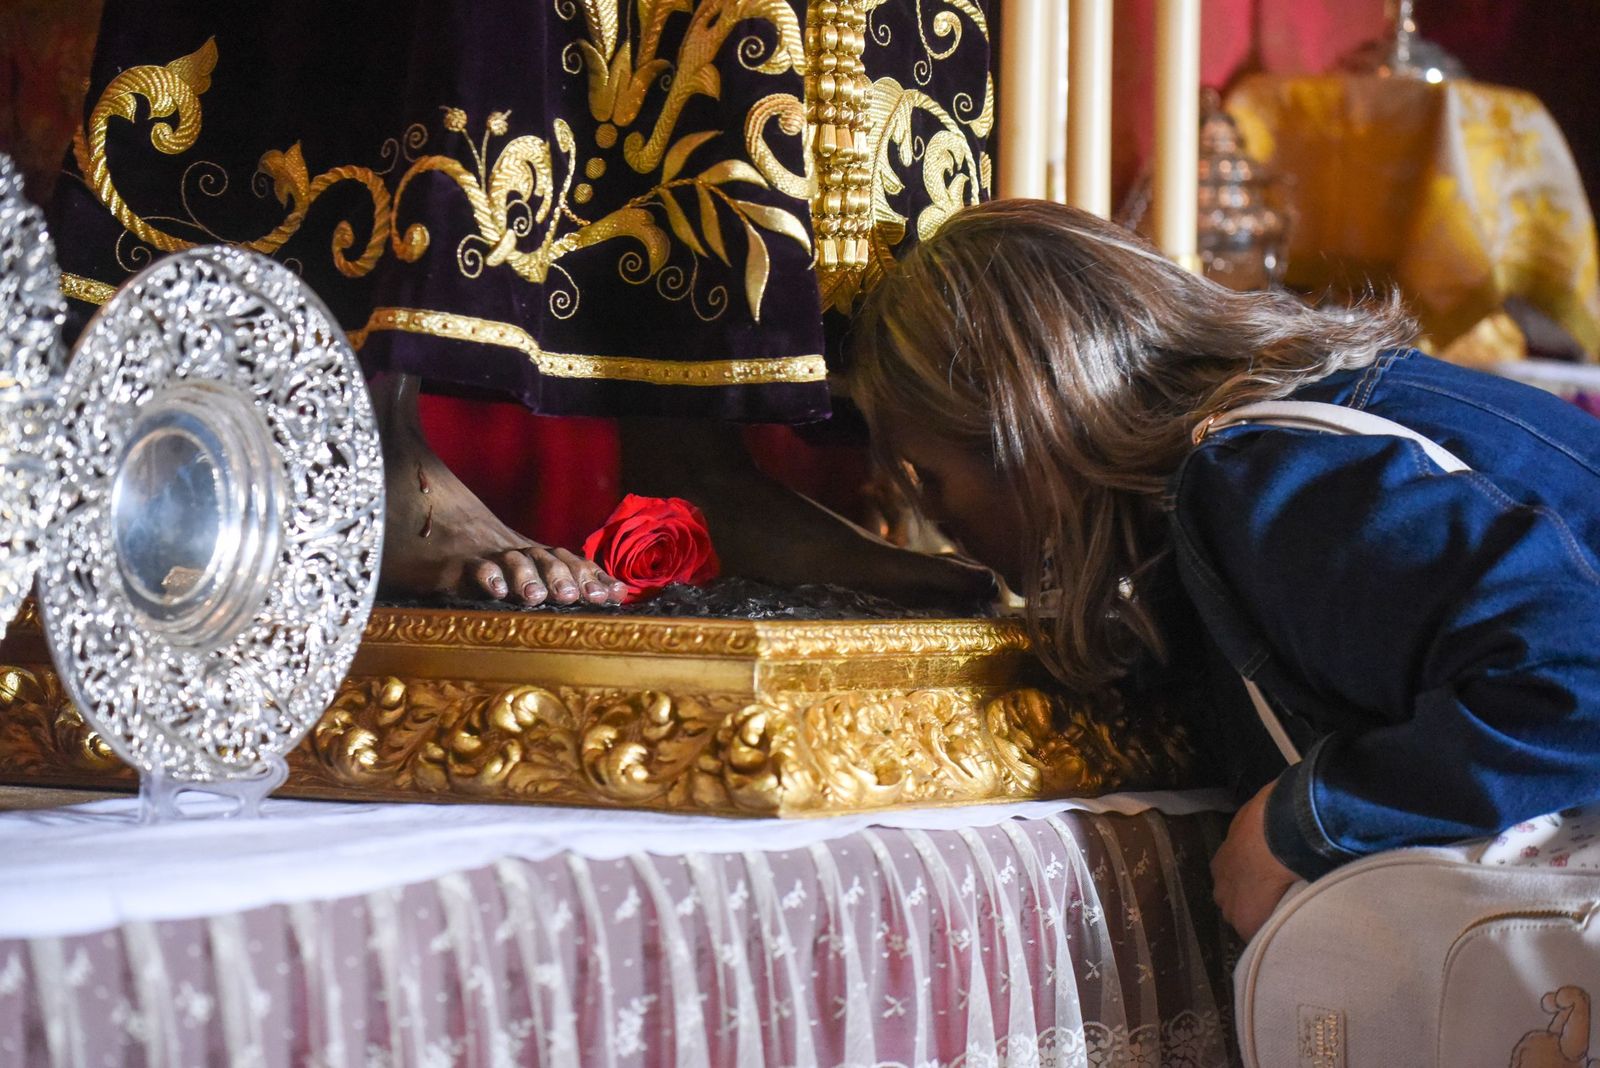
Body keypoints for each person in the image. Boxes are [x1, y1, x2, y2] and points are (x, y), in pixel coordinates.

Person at [847, 198, 1600, 940]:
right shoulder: (1291, 436)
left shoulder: (1273, 482)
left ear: (1023, 428)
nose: (938, 521)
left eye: (931, 477)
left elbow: (1577, 675)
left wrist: (1307, 821)